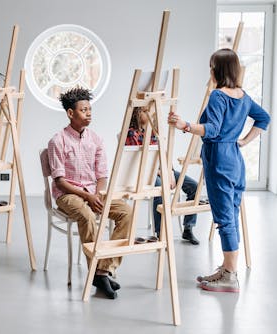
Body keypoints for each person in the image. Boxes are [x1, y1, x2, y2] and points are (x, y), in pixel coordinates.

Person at [169, 49, 270, 292]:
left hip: (219, 159)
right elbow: (264, 118)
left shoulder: (218, 96)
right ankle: (228, 268)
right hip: (235, 160)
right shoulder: (242, 96)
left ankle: (230, 275)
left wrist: (185, 125)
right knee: (231, 215)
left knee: (225, 219)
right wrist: (243, 142)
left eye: (211, 66)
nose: (210, 70)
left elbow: (212, 129)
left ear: (218, 69)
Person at [47, 87, 132, 299]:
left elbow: (102, 174)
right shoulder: (57, 141)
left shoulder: (96, 139)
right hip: (68, 194)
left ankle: (103, 270)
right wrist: (88, 196)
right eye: (84, 110)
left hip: (94, 192)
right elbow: (60, 181)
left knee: (127, 212)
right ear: (70, 113)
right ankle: (97, 271)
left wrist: (99, 194)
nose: (89, 113)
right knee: (86, 216)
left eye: (90, 109)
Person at [126, 107, 200, 244]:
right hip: (145, 174)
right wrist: (162, 173)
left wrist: (170, 172)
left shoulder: (154, 131)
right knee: (160, 189)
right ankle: (160, 233)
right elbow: (140, 162)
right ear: (136, 113)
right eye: (144, 111)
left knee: (194, 187)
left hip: (162, 170)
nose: (149, 113)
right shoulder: (131, 134)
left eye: (150, 110)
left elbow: (165, 155)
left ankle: (188, 228)